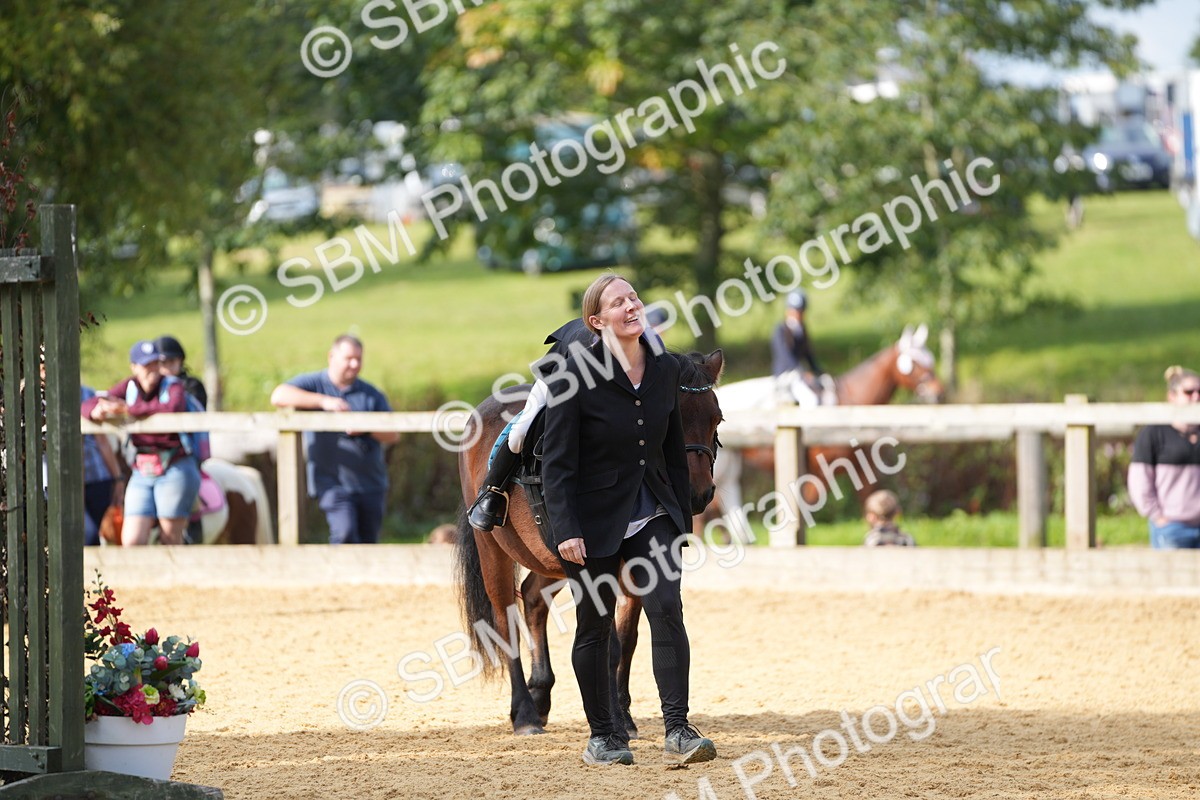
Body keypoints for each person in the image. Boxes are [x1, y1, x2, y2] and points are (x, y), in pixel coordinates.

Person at [542, 272, 716, 767]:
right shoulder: (572, 376)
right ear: (597, 321)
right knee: (594, 627)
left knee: (666, 608)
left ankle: (678, 729)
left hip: (651, 509)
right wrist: (565, 528)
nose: (632, 306)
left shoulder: (665, 369)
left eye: (634, 297)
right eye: (619, 303)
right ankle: (603, 736)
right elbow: (557, 462)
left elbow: (672, 451)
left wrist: (680, 517)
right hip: (591, 519)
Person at [270, 334, 399, 544]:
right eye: (349, 358)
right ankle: (340, 576)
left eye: (359, 359)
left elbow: (394, 434)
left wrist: (365, 429)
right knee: (345, 532)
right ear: (331, 356)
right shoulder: (314, 384)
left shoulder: (371, 394)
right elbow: (279, 396)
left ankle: (362, 578)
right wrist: (323, 402)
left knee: (369, 543)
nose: (355, 364)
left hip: (371, 484)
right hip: (332, 484)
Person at [81, 340, 202, 546]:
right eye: (147, 366)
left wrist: (128, 409)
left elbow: (172, 407)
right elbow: (91, 401)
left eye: (156, 363)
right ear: (134, 368)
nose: (153, 370)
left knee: (170, 537)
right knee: (132, 540)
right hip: (142, 468)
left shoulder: (173, 385)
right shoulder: (129, 386)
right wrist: (96, 410)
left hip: (174, 464)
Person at [1127, 366, 1200, 549]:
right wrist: (1158, 517)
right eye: (1189, 392)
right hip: (1173, 527)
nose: (1196, 397)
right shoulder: (1154, 432)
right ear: (1172, 397)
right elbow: (1140, 480)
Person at [80, 385, 126, 546]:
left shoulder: (87, 394)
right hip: (57, 482)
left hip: (97, 476)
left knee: (100, 535)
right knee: (88, 533)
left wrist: (117, 477)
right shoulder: (31, 395)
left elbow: (102, 441)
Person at [770, 289, 833, 406]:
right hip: (786, 375)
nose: (797, 315)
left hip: (799, 374)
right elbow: (786, 357)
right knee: (810, 399)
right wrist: (804, 373)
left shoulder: (802, 329)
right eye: (794, 311)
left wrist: (819, 371)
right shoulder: (780, 330)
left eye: (800, 311)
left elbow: (808, 355)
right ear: (788, 311)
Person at [155, 335, 207, 409]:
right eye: (163, 363)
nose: (168, 367)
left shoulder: (192, 385)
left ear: (180, 361)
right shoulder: (153, 386)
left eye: (171, 361)